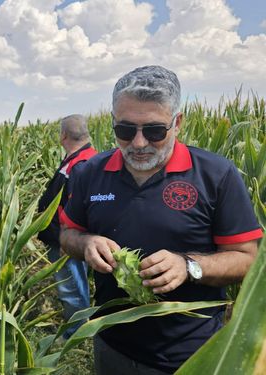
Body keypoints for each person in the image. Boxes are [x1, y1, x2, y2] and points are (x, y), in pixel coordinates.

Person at [59, 65, 262, 374]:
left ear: (177, 123)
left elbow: (248, 259)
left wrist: (189, 266)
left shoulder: (216, 175)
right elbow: (67, 235)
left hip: (190, 353)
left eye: (154, 131)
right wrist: (85, 243)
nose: (139, 143)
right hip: (111, 341)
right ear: (112, 123)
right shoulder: (90, 172)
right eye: (125, 130)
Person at [37, 114, 97, 339]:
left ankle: (76, 333)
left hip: (66, 239)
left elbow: (74, 206)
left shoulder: (80, 164)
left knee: (70, 285)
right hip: (66, 236)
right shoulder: (82, 158)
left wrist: (66, 240)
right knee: (75, 280)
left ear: (63, 135)